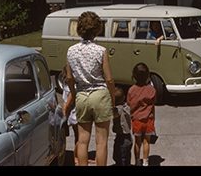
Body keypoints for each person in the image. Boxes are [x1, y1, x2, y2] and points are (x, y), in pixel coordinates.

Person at [64, 11, 116, 166]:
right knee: (101, 142)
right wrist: (112, 99)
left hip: (82, 95)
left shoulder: (71, 51)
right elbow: (109, 79)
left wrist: (74, 95)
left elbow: (69, 78)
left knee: (82, 140)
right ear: (97, 29)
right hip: (100, 95)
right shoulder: (101, 51)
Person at [127, 63, 157, 166]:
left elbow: (129, 104)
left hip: (136, 120)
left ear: (134, 76)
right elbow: (153, 105)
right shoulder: (151, 90)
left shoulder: (131, 90)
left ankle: (136, 161)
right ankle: (145, 161)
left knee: (137, 142)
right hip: (148, 119)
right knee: (146, 142)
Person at [112, 89, 133, 166]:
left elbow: (114, 115)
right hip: (127, 135)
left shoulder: (118, 110)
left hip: (122, 136)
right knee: (126, 154)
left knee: (120, 154)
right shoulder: (127, 106)